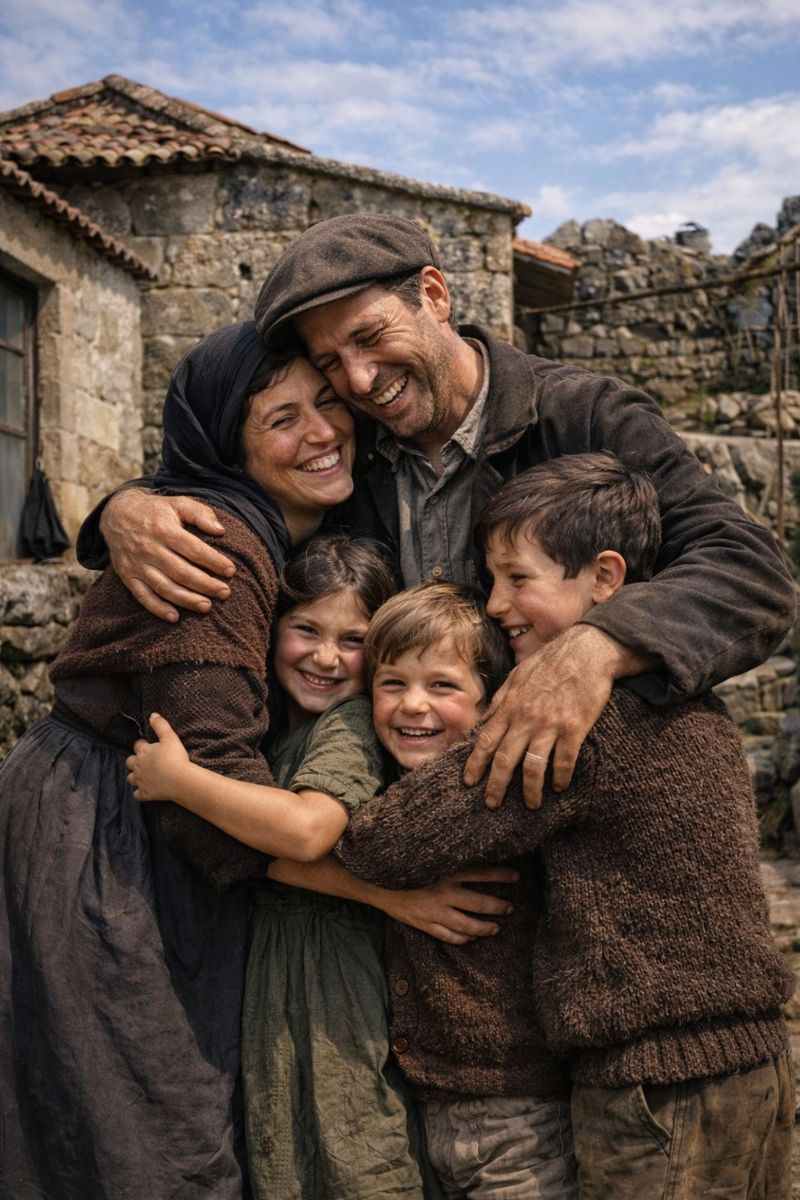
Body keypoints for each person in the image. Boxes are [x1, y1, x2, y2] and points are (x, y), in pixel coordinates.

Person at [77, 213, 796, 811]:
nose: (358, 380)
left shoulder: (583, 415)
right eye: (330, 363)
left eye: (369, 337)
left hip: (578, 809)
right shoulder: (348, 455)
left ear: (434, 295)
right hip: (409, 819)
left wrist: (595, 648)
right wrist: (125, 507)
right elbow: (235, 468)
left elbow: (751, 574)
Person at [0, 322, 406, 1200]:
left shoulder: (283, 531)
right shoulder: (214, 552)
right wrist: (386, 890)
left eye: (329, 403)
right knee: (146, 1121)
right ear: (228, 445)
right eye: (282, 419)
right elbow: (205, 798)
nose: (323, 431)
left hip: (117, 819)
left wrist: (115, 506)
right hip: (114, 837)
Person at [335, 453, 795, 1200]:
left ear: (605, 579)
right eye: (491, 581)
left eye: (518, 579)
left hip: (654, 1085)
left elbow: (384, 842)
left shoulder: (577, 718)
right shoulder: (685, 688)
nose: (494, 605)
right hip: (751, 1060)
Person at [125, 539, 515, 1200]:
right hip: (288, 975)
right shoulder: (276, 729)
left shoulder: (353, 723)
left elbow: (306, 835)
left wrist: (181, 783)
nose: (327, 657)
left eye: (354, 640)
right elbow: (273, 856)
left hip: (334, 978)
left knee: (354, 1145)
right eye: (306, 629)